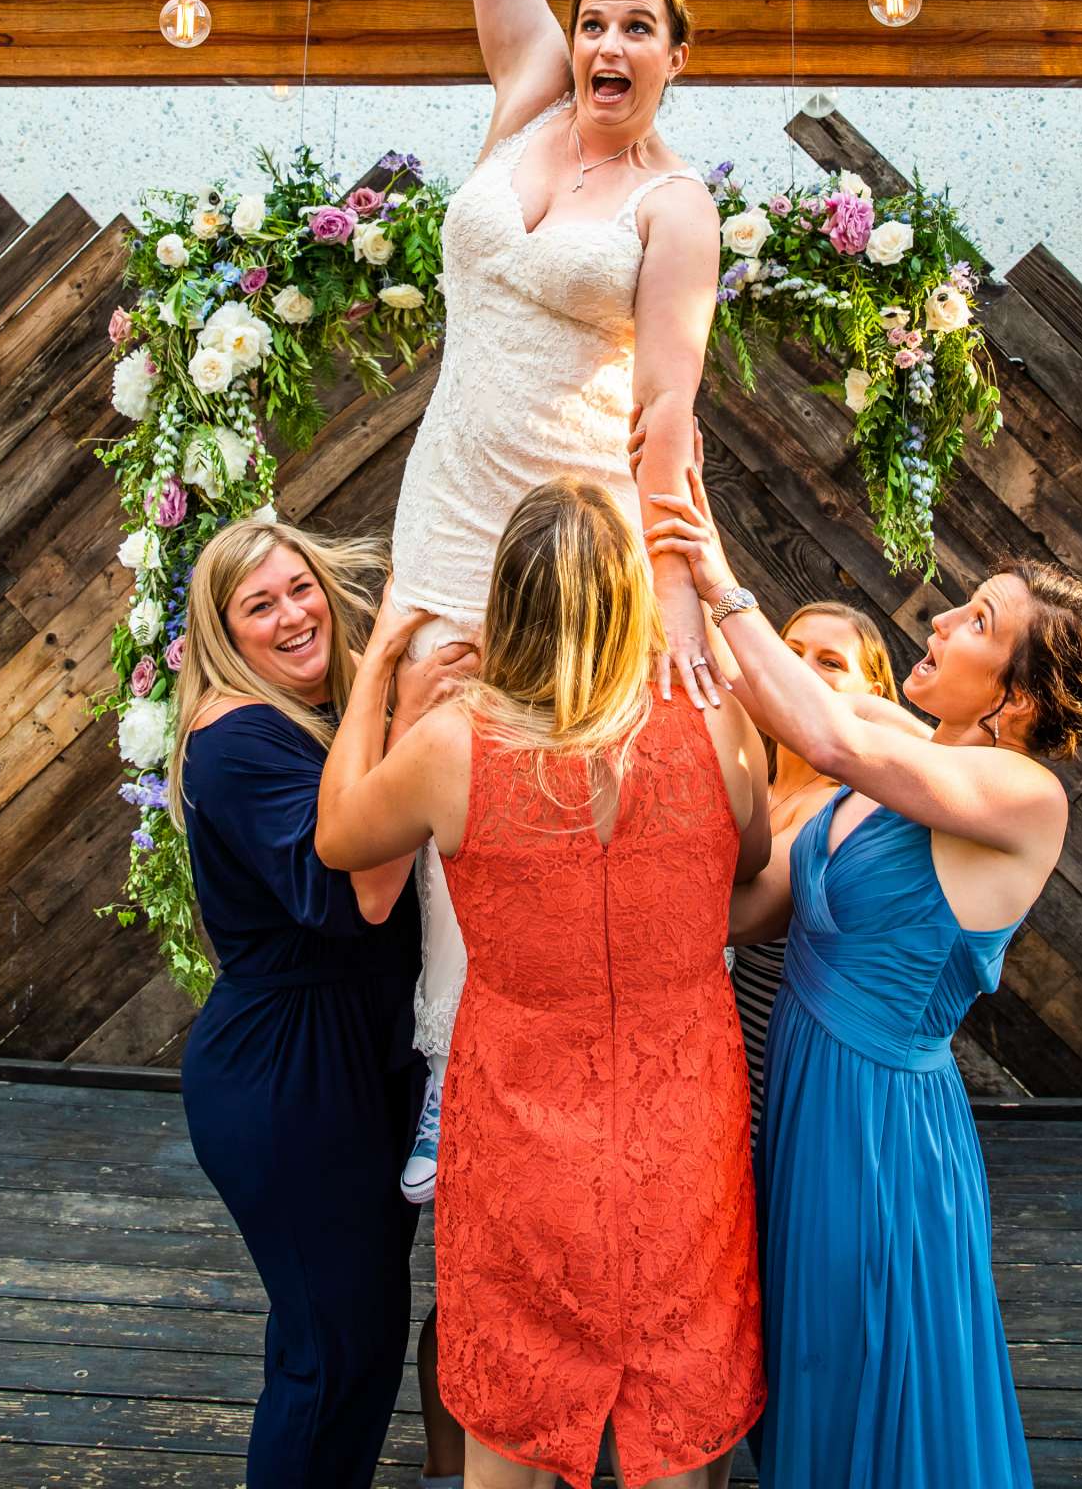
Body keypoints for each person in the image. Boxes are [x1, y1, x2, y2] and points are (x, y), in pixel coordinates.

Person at [389, 0, 723, 1204]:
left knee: (523, 786)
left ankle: (475, 1088)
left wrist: (661, 581)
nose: (603, 39)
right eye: (594, 17)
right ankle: (417, 1056)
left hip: (562, 531)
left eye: (635, 27)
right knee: (411, 762)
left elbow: (668, 409)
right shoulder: (522, 97)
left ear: (670, 59)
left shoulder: (674, 207)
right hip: (446, 496)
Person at [646, 467, 1082, 1489]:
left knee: (864, 1353)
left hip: (877, 1132)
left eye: (977, 621)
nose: (942, 618)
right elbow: (743, 909)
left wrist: (716, 569)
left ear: (1021, 697)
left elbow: (821, 730)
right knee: (807, 1351)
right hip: (797, 1105)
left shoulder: (1022, 796)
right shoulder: (911, 750)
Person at [316, 477, 771, 1489]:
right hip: (681, 1118)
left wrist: (382, 663)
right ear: (629, 599)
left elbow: (340, 834)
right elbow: (748, 856)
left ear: (505, 601)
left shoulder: (450, 748)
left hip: (519, 1119)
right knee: (677, 1434)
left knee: (508, 1437)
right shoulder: (717, 721)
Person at [172, 514, 477, 1489]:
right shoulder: (237, 738)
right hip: (287, 1073)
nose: (293, 614)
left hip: (354, 1057)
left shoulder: (322, 711)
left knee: (339, 1335)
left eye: (299, 588)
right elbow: (365, 888)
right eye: (259, 605)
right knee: (336, 1352)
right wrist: (403, 686)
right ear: (225, 632)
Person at [730, 601, 900, 1135]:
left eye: (830, 663)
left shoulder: (843, 809)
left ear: (873, 695)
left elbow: (734, 919)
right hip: (706, 1053)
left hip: (774, 1082)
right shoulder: (744, 776)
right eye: (791, 652)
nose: (802, 671)